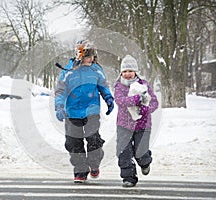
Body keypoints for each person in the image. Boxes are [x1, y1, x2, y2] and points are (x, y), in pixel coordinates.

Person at [54, 39, 114, 183]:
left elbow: (104, 87)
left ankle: (94, 164)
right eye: (88, 56)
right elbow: (60, 91)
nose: (91, 59)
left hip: (91, 111)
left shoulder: (96, 70)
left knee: (93, 139)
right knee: (73, 143)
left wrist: (109, 99)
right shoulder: (68, 72)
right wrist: (59, 107)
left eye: (93, 56)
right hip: (72, 112)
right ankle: (80, 170)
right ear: (79, 56)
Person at [114, 55, 158, 187]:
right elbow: (120, 101)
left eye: (130, 71)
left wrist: (146, 109)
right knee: (123, 152)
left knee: (141, 151)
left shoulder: (144, 85)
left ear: (135, 72)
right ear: (121, 72)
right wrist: (136, 99)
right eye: (125, 71)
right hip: (124, 125)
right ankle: (129, 177)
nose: (127, 74)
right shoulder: (119, 86)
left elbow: (154, 102)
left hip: (142, 125)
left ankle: (145, 161)